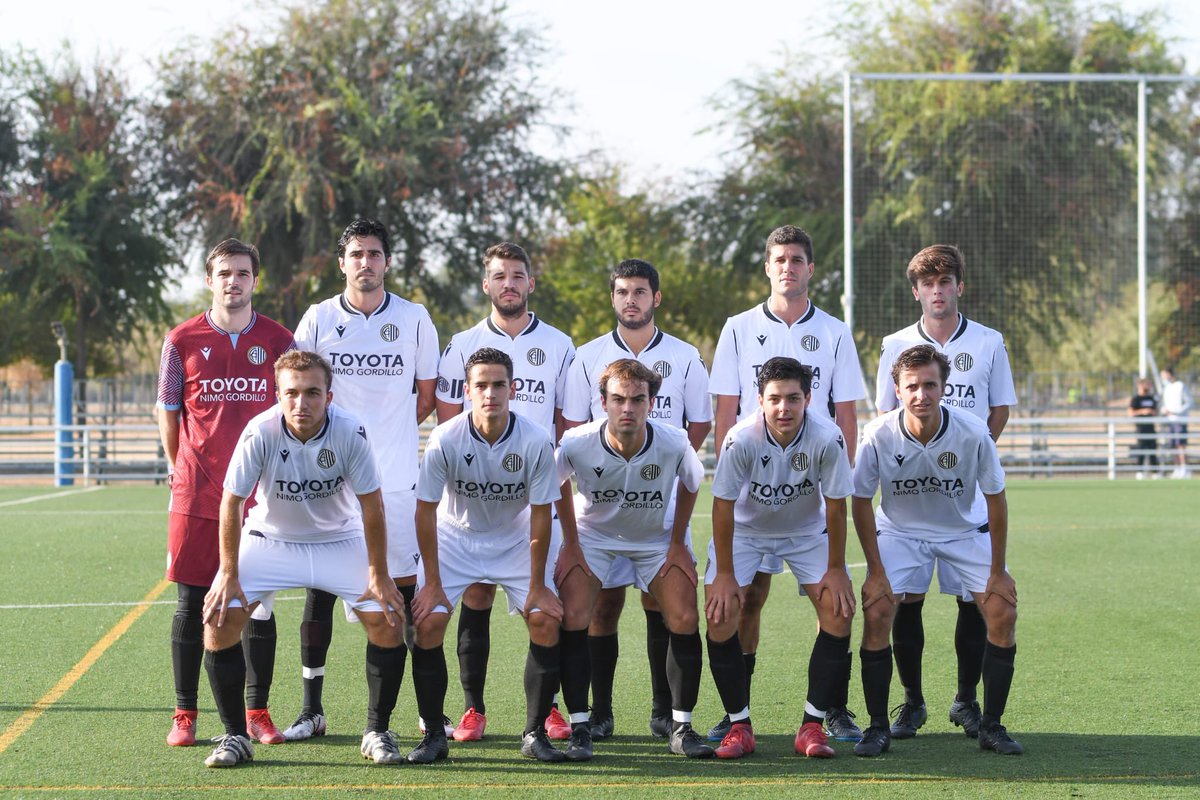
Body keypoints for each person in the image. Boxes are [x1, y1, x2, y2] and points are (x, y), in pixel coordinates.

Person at [198, 350, 408, 768]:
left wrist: (379, 574)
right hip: (272, 539)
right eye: (291, 393)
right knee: (219, 620)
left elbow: (372, 505)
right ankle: (236, 736)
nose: (301, 403)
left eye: (312, 393)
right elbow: (232, 502)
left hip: (338, 538)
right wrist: (228, 572)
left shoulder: (350, 431)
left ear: (329, 396)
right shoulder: (260, 431)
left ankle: (376, 731)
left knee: (388, 620)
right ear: (277, 395)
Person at [281, 218, 440, 741]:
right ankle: (311, 710)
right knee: (320, 590)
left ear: (387, 262)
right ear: (342, 262)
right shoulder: (318, 318)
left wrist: (385, 436)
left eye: (374, 254)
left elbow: (425, 397)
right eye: (356, 254)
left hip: (396, 481)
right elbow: (298, 387)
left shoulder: (414, 318)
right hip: (330, 481)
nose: (365, 262)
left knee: (405, 594)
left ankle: (426, 712)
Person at [707, 225, 864, 743]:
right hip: (751, 499)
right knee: (745, 600)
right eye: (780, 259)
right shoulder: (738, 328)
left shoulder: (835, 331)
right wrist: (736, 472)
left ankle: (828, 711)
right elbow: (726, 409)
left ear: (810, 268)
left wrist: (832, 475)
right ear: (768, 267)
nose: (788, 267)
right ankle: (737, 714)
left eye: (797, 259)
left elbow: (846, 413)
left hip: (807, 499)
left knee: (834, 602)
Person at [560, 259, 711, 739]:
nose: (631, 299)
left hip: (656, 511)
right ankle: (599, 713)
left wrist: (660, 464)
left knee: (663, 605)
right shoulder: (586, 356)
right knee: (601, 608)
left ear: (655, 298)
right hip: (600, 514)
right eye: (623, 291)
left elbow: (700, 423)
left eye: (640, 291)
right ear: (613, 298)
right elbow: (571, 429)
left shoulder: (685, 356)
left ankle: (665, 713)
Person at [873, 244, 1017, 740]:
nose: (937, 291)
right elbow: (884, 413)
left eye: (945, 282)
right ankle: (912, 702)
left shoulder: (989, 341)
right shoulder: (894, 344)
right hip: (909, 501)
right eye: (928, 284)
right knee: (905, 599)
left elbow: (999, 408)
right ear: (916, 292)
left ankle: (966, 701)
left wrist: (969, 458)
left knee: (972, 601)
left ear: (960, 287)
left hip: (964, 497)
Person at [433, 242, 575, 742]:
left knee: (544, 605)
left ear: (530, 283)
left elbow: (567, 422)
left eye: (517, 276)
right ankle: (473, 709)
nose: (509, 284)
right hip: (472, 503)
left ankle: (549, 708)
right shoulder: (461, 343)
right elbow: (448, 423)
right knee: (477, 595)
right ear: (486, 285)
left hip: (533, 501)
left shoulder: (560, 344)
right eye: (500, 276)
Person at [157, 238, 295, 748]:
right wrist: (179, 466)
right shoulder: (181, 339)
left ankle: (257, 712)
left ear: (255, 280)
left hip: (262, 496)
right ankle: (185, 713)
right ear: (209, 280)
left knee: (258, 604)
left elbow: (294, 410)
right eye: (224, 273)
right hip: (198, 493)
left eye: (242, 273)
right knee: (191, 602)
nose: (233, 281)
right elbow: (169, 409)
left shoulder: (280, 340)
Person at [852, 344, 1021, 758]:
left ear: (944, 387)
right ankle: (878, 727)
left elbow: (996, 498)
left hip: (962, 530)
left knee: (1002, 610)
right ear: (897, 389)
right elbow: (860, 500)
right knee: (877, 609)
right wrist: (875, 571)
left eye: (929, 385)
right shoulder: (877, 434)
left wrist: (998, 571)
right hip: (900, 531)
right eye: (911, 386)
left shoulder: (973, 432)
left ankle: (991, 725)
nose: (921, 394)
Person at [409, 348, 566, 763]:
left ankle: (534, 734)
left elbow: (541, 514)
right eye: (481, 385)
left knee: (545, 619)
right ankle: (434, 735)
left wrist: (538, 586)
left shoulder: (535, 439)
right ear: (467, 391)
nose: (490, 393)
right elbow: (424, 511)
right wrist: (433, 583)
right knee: (427, 622)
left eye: (499, 384)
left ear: (513, 389)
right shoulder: (446, 437)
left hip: (514, 538)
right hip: (455, 537)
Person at [704, 357, 856, 760]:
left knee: (839, 610)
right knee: (720, 614)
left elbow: (836, 505)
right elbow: (722, 506)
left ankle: (812, 726)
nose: (783, 408)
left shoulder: (828, 437)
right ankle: (739, 726)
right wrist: (724, 574)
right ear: (760, 400)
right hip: (746, 532)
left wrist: (837, 569)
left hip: (805, 532)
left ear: (808, 399)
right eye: (774, 399)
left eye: (793, 398)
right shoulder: (740, 439)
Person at [1160, 367, 1192, 478]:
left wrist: (1176, 411)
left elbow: (1189, 403)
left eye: (1164, 375)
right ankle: (1177, 468)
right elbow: (1164, 404)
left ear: (1170, 374)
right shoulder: (1166, 388)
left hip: (1180, 420)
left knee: (1180, 445)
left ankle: (1184, 469)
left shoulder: (1181, 386)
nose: (1163, 378)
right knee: (1172, 445)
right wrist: (1164, 410)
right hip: (1169, 421)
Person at [1129, 378, 1160, 479]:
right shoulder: (1136, 399)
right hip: (1141, 429)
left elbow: (1156, 411)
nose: (1147, 387)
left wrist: (1153, 412)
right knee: (1141, 451)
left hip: (1151, 428)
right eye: (1145, 384)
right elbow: (1131, 412)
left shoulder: (1151, 398)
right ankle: (1139, 472)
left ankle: (1155, 472)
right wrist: (1143, 411)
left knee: (1153, 451)